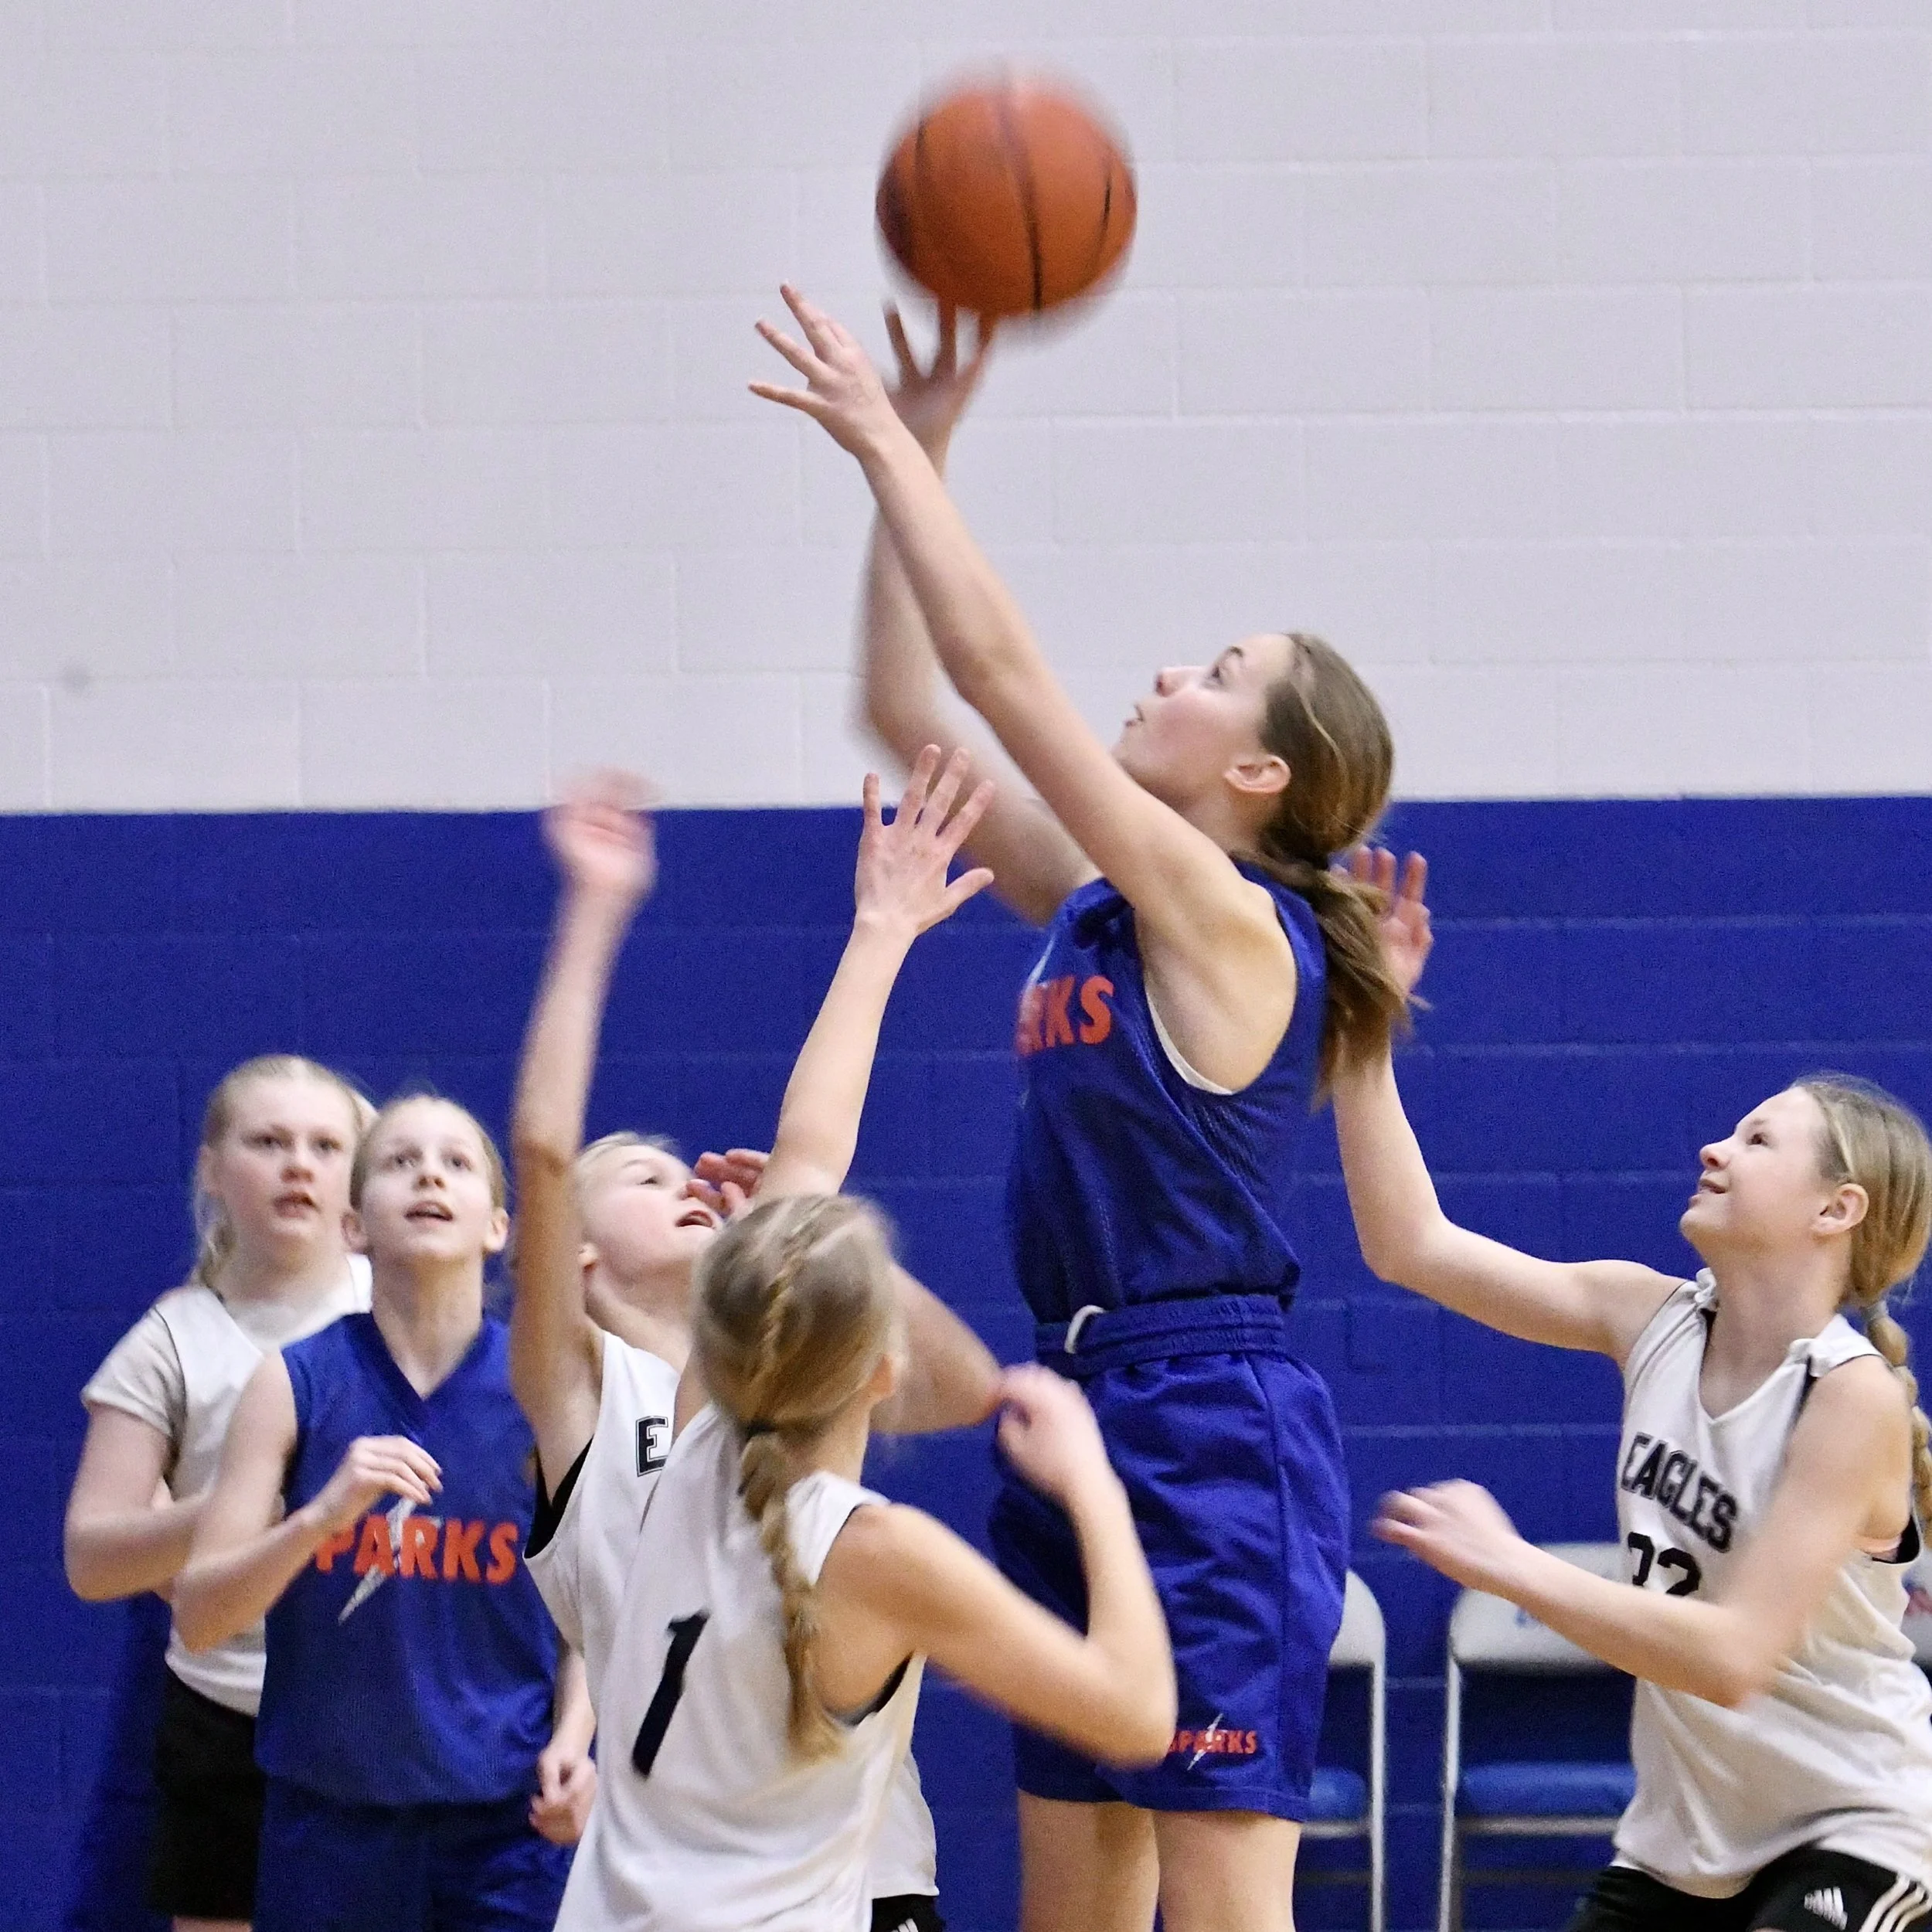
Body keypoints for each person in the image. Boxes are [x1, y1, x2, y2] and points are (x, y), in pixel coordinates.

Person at [751, 287, 1407, 1932]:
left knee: (1219, 1902)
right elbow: (911, 709)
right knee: (1075, 1902)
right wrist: (922, 468)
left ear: (1257, 774)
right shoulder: (1096, 904)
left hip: (1209, 1425)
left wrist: (889, 443)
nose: (1170, 666)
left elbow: (997, 666)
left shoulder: (1224, 914)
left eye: (1220, 671)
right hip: (1074, 1391)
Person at [1333, 848, 1932, 1932]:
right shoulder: (1647, 1315)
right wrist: (1365, 1031)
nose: (1713, 1146)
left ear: (1835, 1210)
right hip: (1682, 1846)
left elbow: (1735, 1656)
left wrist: (1513, 1566)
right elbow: (1410, 1246)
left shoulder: (1849, 1398)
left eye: (1756, 1139)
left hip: (1855, 1828)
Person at [511, 758, 1005, 1930]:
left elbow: (964, 1383)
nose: (684, 1180)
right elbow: (541, 1151)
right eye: (640, 1175)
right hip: (691, 1887)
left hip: (864, 1876)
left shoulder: (780, 1370)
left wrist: (823, 1255)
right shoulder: (582, 1396)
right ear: (574, 1254)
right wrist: (590, 910)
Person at [557, 1190, 1177, 1932]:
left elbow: (952, 1379)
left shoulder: (692, 1457)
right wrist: (1091, 1484)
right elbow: (1140, 1719)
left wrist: (804, 1241)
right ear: (884, 1371)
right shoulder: (877, 1556)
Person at [172, 1093, 594, 1932]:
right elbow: (199, 1615)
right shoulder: (291, 1382)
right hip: (330, 1827)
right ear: (354, 1225)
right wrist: (318, 1518)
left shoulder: (546, 1387)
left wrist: (578, 1736)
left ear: (497, 1227)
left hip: (504, 1831)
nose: (430, 1173)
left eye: (457, 1162)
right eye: (400, 1161)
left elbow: (591, 1599)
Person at [66, 1056, 373, 1932]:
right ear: (212, 1168)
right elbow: (92, 1557)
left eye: (324, 1145)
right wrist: (245, 1508)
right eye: (268, 1142)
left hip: (391, 1702)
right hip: (227, 1707)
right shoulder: (172, 1339)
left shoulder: (403, 1305)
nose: (298, 1165)